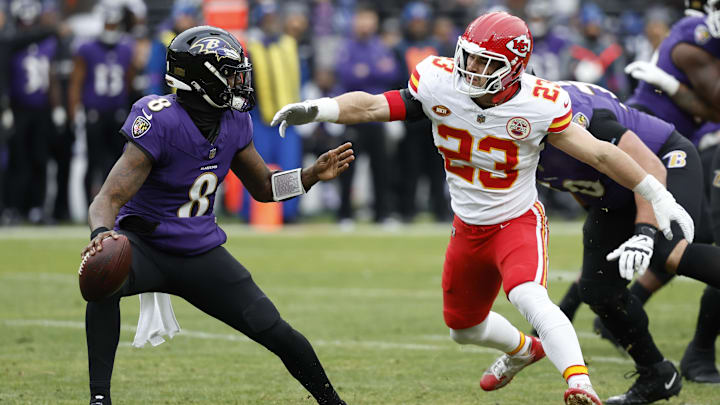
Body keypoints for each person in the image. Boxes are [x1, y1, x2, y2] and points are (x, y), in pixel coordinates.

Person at [272, 12, 696, 405]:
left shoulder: (539, 104)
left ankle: (579, 382)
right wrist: (320, 109)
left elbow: (602, 155)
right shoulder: (439, 82)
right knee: (463, 329)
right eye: (468, 58)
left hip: (516, 220)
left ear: (513, 68)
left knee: (529, 296)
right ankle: (524, 349)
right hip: (467, 226)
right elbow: (371, 105)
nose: (470, 70)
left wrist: (657, 195)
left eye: (483, 63)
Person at [80, 26, 353, 405]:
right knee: (101, 278)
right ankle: (99, 398)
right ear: (202, 78)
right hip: (146, 246)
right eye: (230, 73)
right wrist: (100, 236)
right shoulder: (159, 119)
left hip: (199, 251)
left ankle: (332, 402)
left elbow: (264, 188)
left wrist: (309, 176)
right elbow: (107, 198)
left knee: (273, 328)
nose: (240, 81)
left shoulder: (234, 121)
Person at [537, 80, 720, 403]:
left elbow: (646, 167)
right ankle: (656, 374)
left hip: (661, 161)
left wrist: (644, 232)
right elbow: (577, 182)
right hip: (613, 191)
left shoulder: (576, 115)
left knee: (667, 252)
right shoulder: (506, 134)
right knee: (598, 289)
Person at [68, 2, 136, 205]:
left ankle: (115, 206)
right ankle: (90, 206)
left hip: (117, 112)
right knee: (93, 162)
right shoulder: (86, 48)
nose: (111, 28)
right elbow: (76, 82)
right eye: (108, 23)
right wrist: (75, 110)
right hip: (94, 112)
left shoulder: (126, 48)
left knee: (118, 163)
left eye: (114, 24)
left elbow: (129, 83)